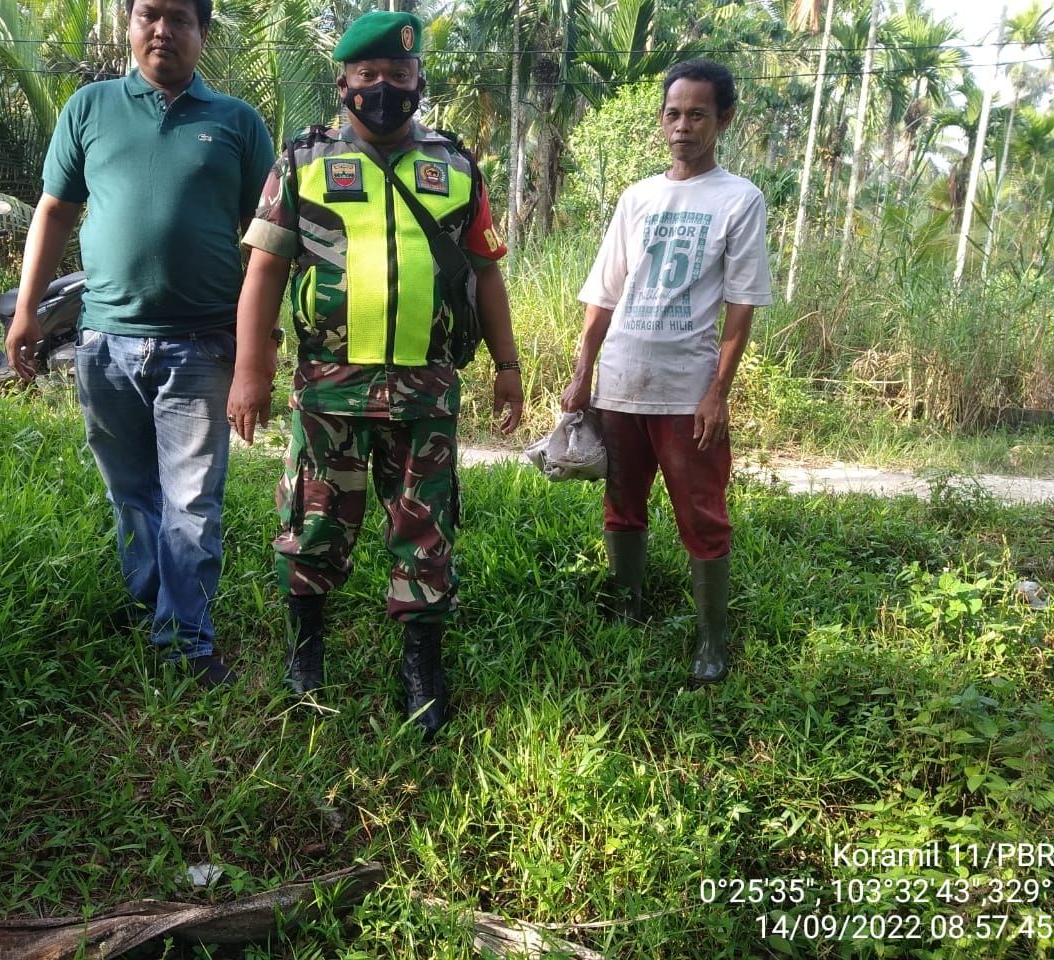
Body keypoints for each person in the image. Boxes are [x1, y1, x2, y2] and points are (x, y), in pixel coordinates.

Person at [227, 10, 523, 738]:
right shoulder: (302, 161)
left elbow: (485, 273)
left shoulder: (456, 165)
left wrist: (509, 366)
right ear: (344, 83)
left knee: (425, 529)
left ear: (420, 81)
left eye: (398, 76)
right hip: (328, 386)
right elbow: (263, 272)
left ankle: (422, 670)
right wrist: (249, 372)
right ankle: (306, 657)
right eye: (369, 77)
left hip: (426, 389)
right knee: (313, 521)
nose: (384, 89)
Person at [4, 0, 276, 688]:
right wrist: (27, 310)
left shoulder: (238, 123)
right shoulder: (89, 109)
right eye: (149, 14)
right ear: (129, 25)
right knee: (131, 493)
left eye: (180, 18)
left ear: (202, 34)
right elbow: (55, 211)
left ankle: (186, 641)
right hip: (104, 343)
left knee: (191, 502)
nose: (163, 31)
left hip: (203, 346)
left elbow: (270, 245)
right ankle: (153, 602)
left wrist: (260, 348)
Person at [562, 58, 773, 685]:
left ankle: (712, 639)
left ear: (724, 119)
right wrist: (582, 374)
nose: (683, 126)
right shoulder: (638, 198)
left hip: (687, 390)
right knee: (622, 503)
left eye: (698, 115)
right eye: (674, 113)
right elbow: (603, 294)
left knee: (701, 512)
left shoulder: (739, 199)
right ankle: (626, 607)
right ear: (662, 120)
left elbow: (742, 306)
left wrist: (718, 393)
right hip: (622, 381)